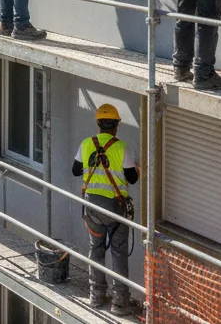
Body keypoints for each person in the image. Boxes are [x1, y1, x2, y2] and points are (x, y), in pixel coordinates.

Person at [72, 104, 140, 316]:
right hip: (115, 208)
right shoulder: (122, 148)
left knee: (96, 248)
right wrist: (136, 167)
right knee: (119, 252)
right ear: (116, 126)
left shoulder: (86, 144)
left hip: (92, 205)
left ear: (98, 124)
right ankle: (120, 302)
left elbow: (75, 171)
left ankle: (96, 295)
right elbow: (132, 179)